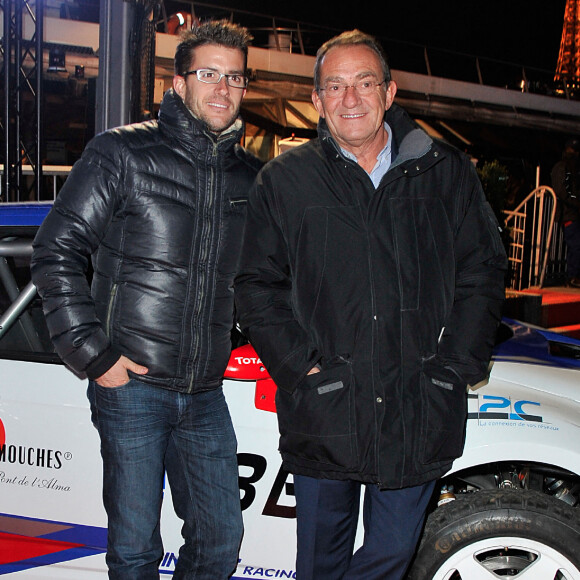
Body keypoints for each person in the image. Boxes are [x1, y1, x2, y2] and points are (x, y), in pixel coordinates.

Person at [234, 30, 506, 580]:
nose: (350, 98)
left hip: (417, 405)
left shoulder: (443, 170)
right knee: (319, 562)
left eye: (364, 83)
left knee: (392, 552)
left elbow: (482, 270)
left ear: (389, 92)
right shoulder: (285, 181)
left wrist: (454, 368)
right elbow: (255, 285)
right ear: (317, 100)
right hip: (326, 403)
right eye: (334, 86)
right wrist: (302, 368)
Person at [31, 20, 261, 579]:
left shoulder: (253, 178)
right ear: (179, 83)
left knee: (221, 542)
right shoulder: (122, 152)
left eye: (234, 77)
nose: (222, 88)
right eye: (208, 73)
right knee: (135, 552)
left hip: (205, 391)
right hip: (130, 385)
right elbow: (55, 251)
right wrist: (95, 355)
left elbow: (265, 280)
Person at [551, 137, 580, 288]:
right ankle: (572, 277)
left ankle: (573, 276)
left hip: (572, 214)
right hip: (569, 214)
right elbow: (562, 191)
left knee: (575, 246)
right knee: (575, 246)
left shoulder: (571, 168)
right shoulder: (563, 167)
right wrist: (576, 203)